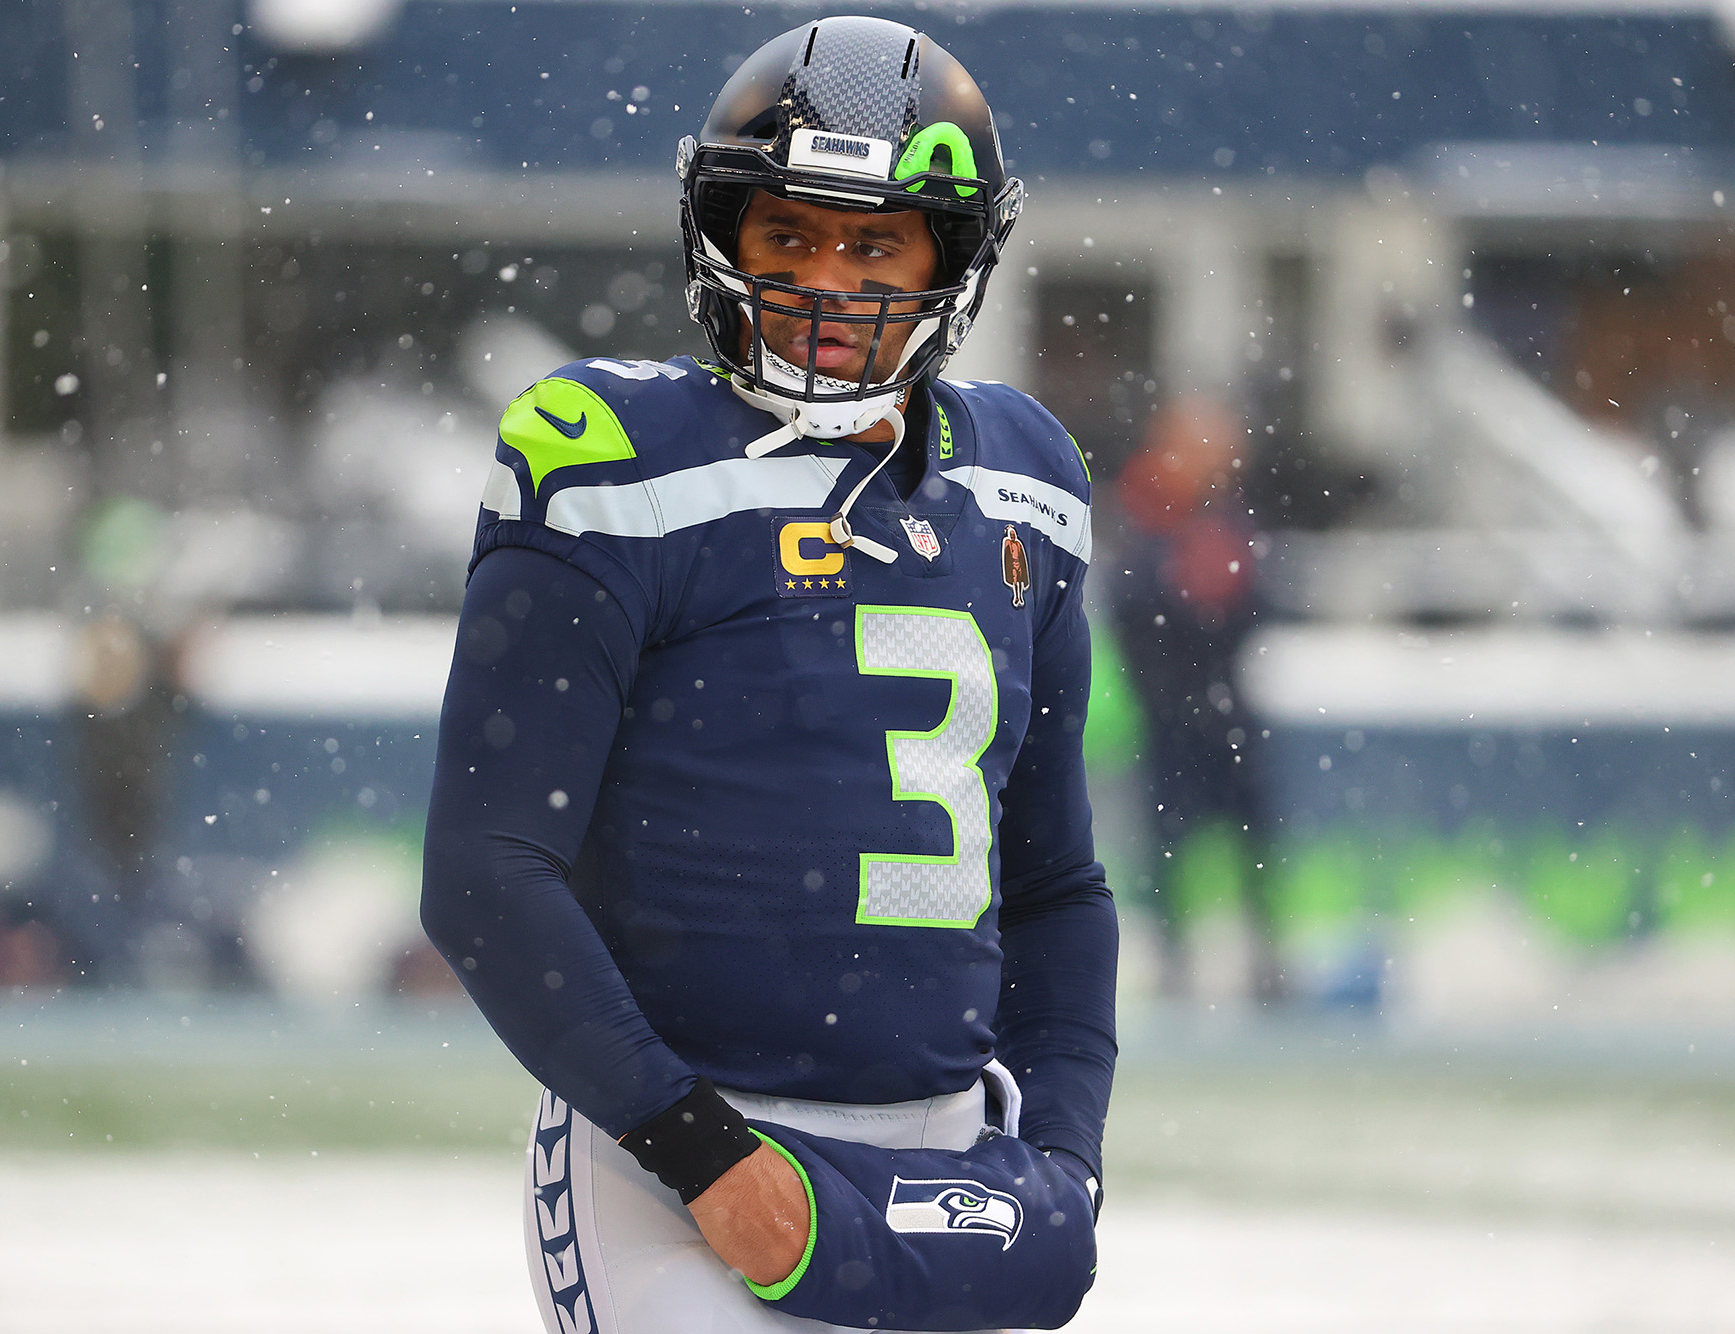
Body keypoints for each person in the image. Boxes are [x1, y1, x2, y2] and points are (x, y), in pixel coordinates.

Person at [421, 18, 1116, 1332]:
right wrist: (700, 1149)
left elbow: (1054, 886)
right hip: (672, 1139)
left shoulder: (1025, 478)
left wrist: (1064, 1153)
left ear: (951, 257)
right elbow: (484, 870)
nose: (821, 282)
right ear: (721, 234)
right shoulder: (613, 454)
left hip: (945, 1151)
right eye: (786, 235)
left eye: (872, 244)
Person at [1103, 396, 1283, 1004]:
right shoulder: (1150, 517)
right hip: (1176, 712)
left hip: (1220, 707)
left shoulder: (1227, 520)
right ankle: (1176, 956)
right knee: (1170, 842)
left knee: (1249, 836)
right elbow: (1130, 606)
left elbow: (1258, 603)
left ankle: (1263, 953)